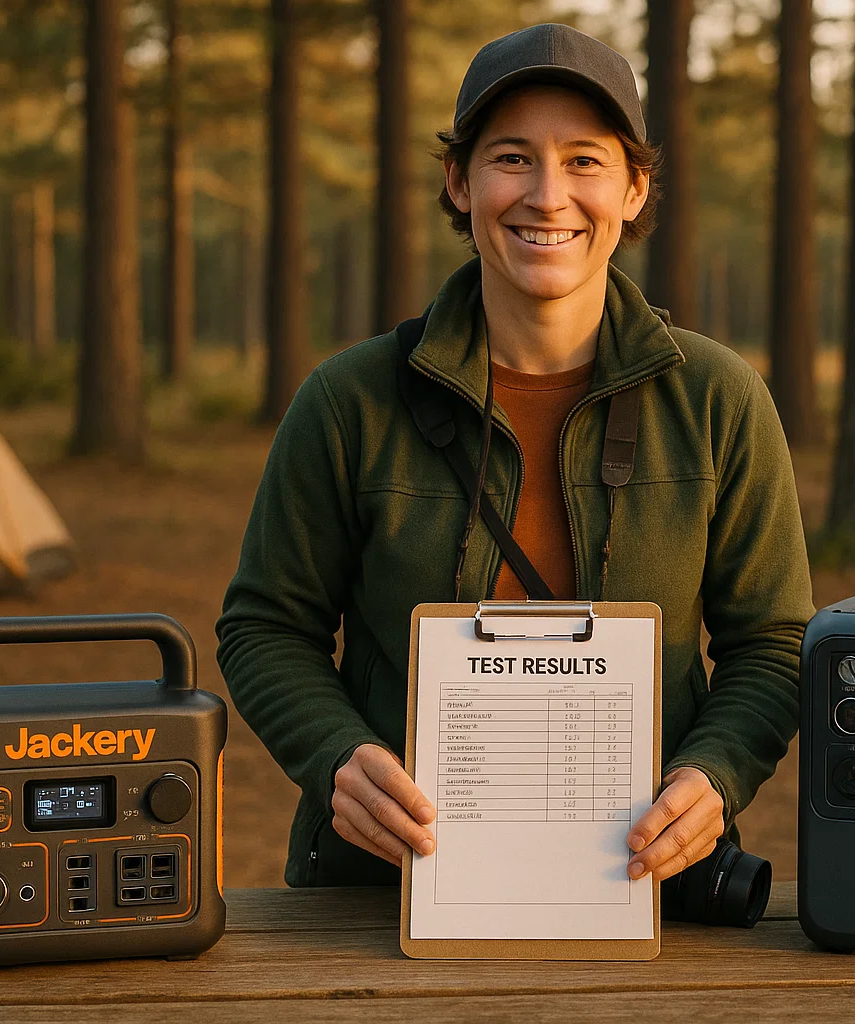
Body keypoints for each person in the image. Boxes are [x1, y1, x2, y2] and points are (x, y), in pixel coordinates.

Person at [216, 23, 813, 889]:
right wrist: (337, 758)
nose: (546, 195)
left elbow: (773, 642)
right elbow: (265, 626)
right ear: (458, 182)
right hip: (380, 899)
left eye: (584, 161)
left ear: (635, 189)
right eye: (510, 159)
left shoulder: (720, 402)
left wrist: (714, 775)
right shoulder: (350, 402)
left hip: (641, 895)